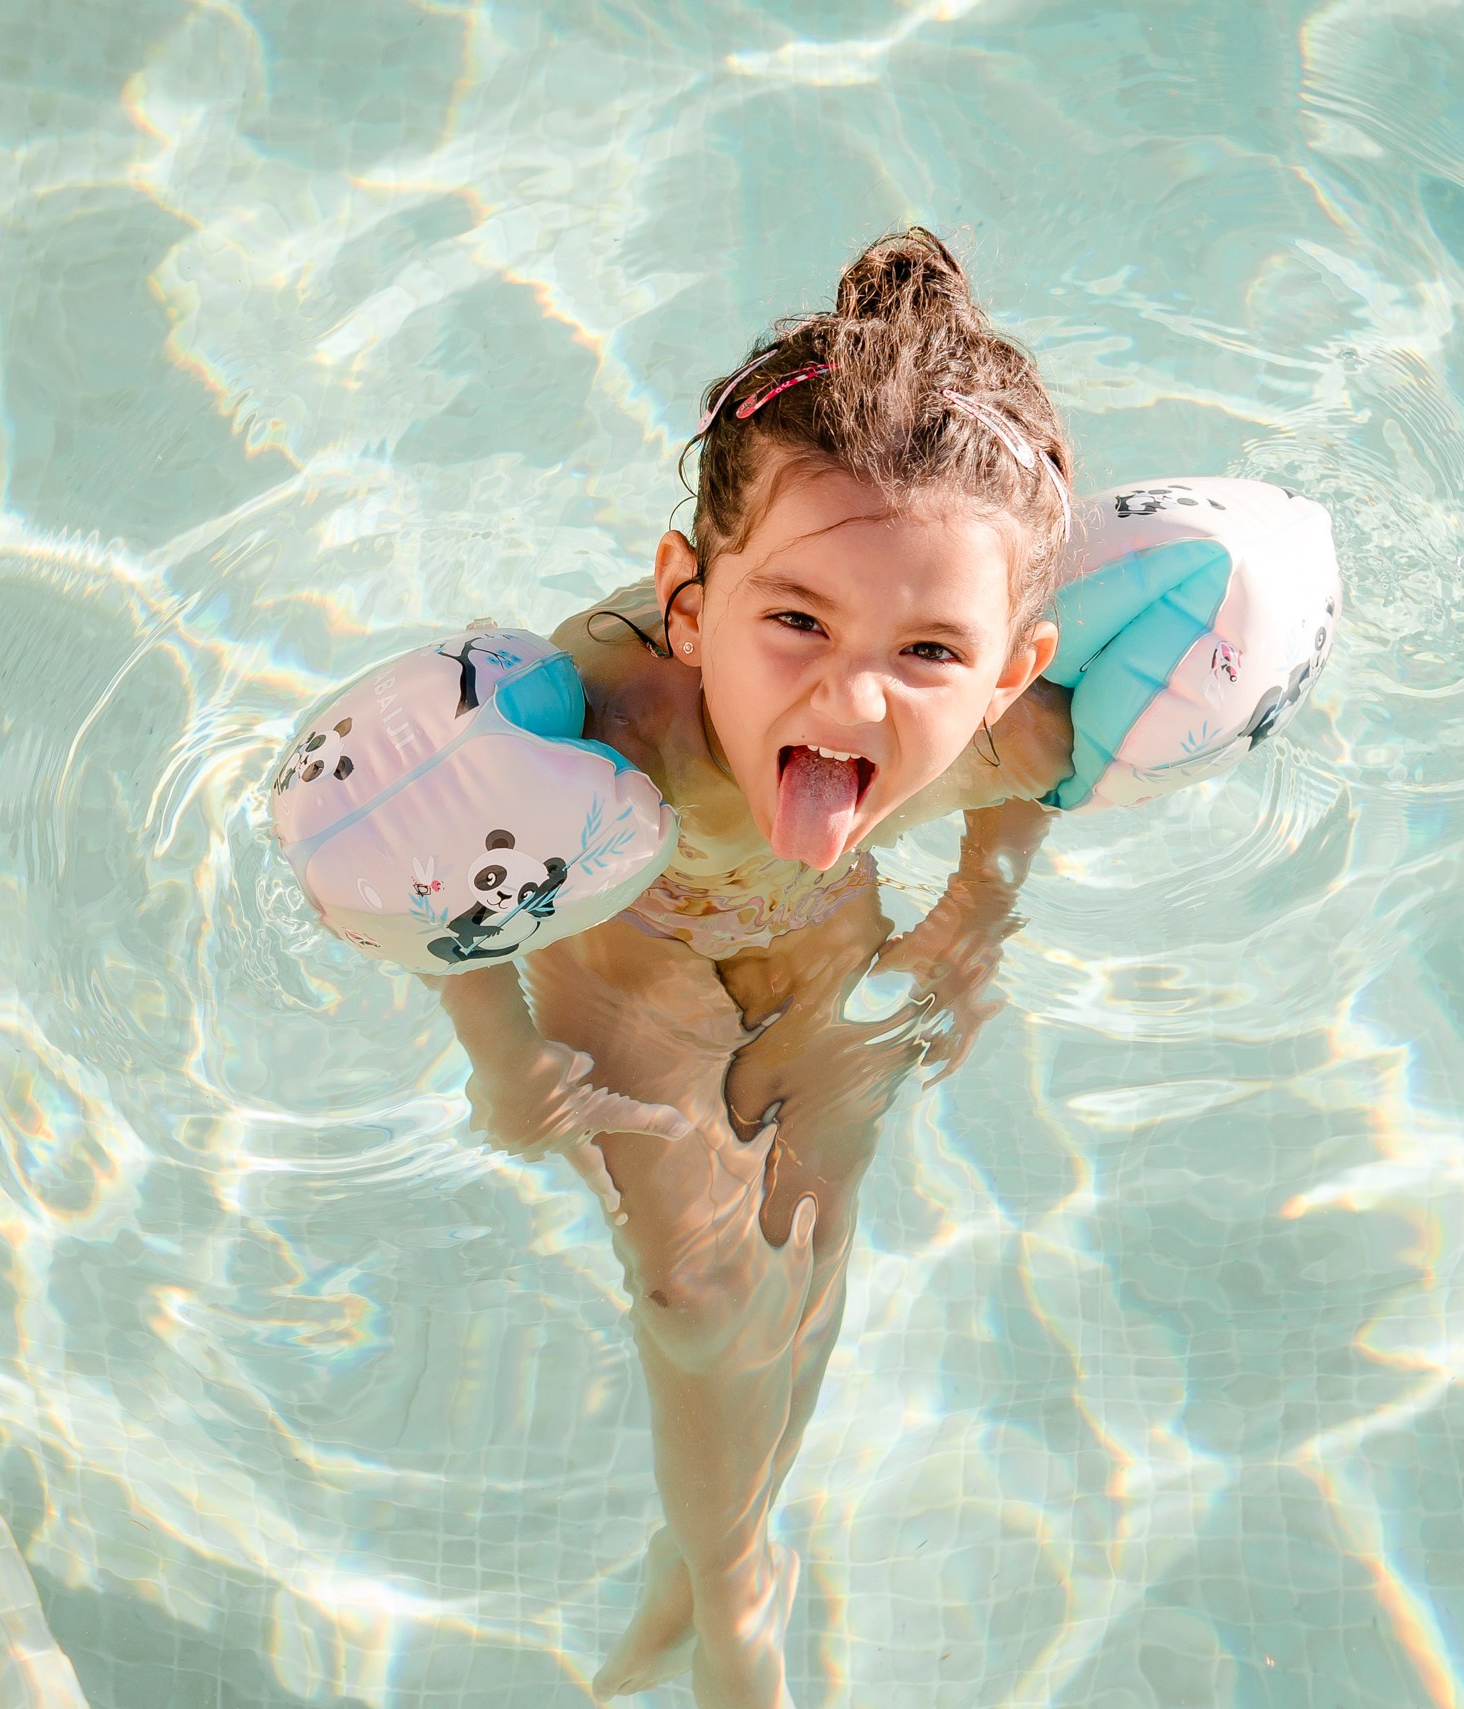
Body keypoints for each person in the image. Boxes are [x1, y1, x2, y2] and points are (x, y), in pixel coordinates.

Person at [425, 228, 1078, 1708]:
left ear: (1008, 670)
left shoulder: (1002, 736)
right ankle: (733, 1589)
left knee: (808, 1226)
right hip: (630, 945)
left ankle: (720, 1541)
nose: (852, 695)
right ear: (685, 595)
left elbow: (1034, 791)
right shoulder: (607, 720)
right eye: (794, 618)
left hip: (813, 941)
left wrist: (978, 909)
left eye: (929, 651)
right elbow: (413, 870)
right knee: (702, 1285)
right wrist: (497, 1046)